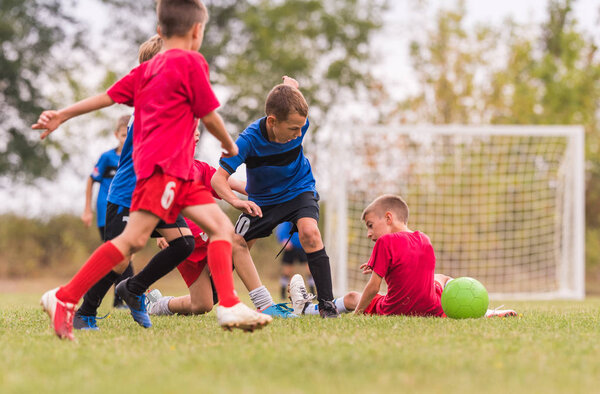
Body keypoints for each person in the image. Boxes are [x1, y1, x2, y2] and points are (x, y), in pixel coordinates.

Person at [34, 0, 270, 340]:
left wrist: (62, 114)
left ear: (160, 31)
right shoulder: (193, 62)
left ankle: (230, 303)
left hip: (179, 174)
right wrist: (230, 146)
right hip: (164, 174)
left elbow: (106, 97)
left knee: (220, 229)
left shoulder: (144, 72)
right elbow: (208, 114)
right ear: (197, 31)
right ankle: (65, 297)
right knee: (133, 240)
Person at [211, 76, 339, 318]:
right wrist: (237, 201)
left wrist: (291, 87)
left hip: (299, 189)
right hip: (262, 202)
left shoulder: (298, 122)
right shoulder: (246, 142)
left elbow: (288, 99)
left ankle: (327, 305)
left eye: (301, 127)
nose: (299, 133)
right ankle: (201, 297)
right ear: (272, 121)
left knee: (310, 232)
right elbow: (218, 180)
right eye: (293, 129)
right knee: (234, 248)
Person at [288, 194, 517, 318]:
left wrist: (357, 315)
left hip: (397, 308)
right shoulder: (424, 238)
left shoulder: (386, 241)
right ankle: (489, 312)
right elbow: (411, 268)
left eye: (370, 226)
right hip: (433, 308)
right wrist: (379, 263)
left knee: (350, 296)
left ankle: (306, 309)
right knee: (442, 278)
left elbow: (374, 288)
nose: (369, 234)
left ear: (388, 218)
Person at [147, 160, 296, 318]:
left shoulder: (200, 168)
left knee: (236, 243)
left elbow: (236, 184)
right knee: (202, 304)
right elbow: (152, 198)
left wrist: (273, 190)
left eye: (196, 132)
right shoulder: (162, 166)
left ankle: (264, 305)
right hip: (183, 241)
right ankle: (156, 304)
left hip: (205, 231)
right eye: (191, 133)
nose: (196, 134)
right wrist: (161, 232)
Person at [81, 115, 133, 309]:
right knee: (118, 253)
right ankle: (121, 297)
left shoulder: (135, 155)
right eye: (122, 135)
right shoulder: (107, 157)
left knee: (124, 254)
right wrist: (87, 210)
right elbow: (90, 179)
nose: (125, 138)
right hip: (108, 212)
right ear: (116, 135)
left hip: (129, 208)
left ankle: (117, 296)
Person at [275, 221, 314, 299]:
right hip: (290, 247)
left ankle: (313, 292)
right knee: (287, 272)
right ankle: (283, 294)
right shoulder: (287, 220)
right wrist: (283, 240)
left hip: (303, 246)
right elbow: (281, 230)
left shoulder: (304, 217)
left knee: (310, 269)